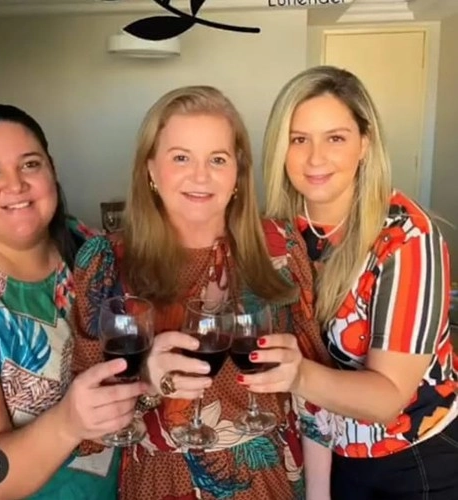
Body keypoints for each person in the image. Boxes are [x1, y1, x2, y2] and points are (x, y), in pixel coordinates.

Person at [71, 85, 334, 500]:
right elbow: (86, 426)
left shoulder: (281, 247)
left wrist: (320, 496)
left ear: (237, 172)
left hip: (269, 479)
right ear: (150, 169)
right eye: (181, 158)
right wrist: (147, 380)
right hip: (159, 483)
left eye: (217, 159)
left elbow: (315, 402)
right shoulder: (105, 261)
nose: (200, 176)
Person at [261, 65, 458, 499]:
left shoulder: (407, 239)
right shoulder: (279, 233)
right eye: (299, 139)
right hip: (326, 453)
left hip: (412, 459)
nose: (315, 158)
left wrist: (297, 374)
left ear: (365, 144)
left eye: (335, 138)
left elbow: (387, 399)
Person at [0, 103, 145, 499]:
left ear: (51, 169)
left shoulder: (83, 243)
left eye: (30, 165)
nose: (16, 186)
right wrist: (67, 423)